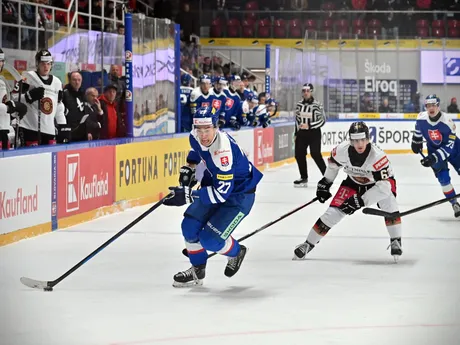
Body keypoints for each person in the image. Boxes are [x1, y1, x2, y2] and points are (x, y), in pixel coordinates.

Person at [163, 106, 263, 287]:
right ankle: (197, 271)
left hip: (239, 195)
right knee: (189, 226)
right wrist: (191, 167)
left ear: (216, 127)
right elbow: (197, 150)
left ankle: (237, 251)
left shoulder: (222, 153)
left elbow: (220, 194)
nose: (203, 135)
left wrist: (187, 195)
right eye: (199, 130)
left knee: (211, 240)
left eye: (207, 130)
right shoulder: (195, 136)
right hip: (216, 185)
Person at [293, 121, 404, 261]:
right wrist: (325, 183)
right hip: (353, 182)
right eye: (356, 140)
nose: (360, 144)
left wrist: (361, 201)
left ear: (368, 139)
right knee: (332, 214)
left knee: (389, 205)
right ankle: (308, 244)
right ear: (350, 140)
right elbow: (333, 166)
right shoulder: (341, 150)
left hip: (378, 184)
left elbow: (384, 187)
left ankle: (396, 240)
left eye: (363, 139)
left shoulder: (378, 157)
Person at [411, 94, 460, 217]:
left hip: (455, 150)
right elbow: (418, 130)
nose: (431, 108)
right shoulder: (421, 118)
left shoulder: (448, 123)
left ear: (438, 106)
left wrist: (433, 158)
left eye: (433, 105)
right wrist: (416, 141)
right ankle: (454, 203)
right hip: (434, 150)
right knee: (444, 180)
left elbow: (449, 147)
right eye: (428, 106)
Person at [13, 49, 69, 146]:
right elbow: (13, 99)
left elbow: (59, 107)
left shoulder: (57, 82)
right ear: (37, 64)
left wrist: (63, 126)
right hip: (30, 128)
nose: (46, 66)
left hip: (49, 130)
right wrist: (28, 96)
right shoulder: (27, 78)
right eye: (43, 63)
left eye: (48, 63)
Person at [293, 83, 326, 187]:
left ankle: (327, 177)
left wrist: (310, 125)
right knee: (299, 154)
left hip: (314, 133)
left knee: (315, 154)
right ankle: (304, 177)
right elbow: (297, 120)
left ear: (311, 91)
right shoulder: (299, 105)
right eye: (304, 91)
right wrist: (296, 133)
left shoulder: (317, 105)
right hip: (302, 133)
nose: (306, 93)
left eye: (308, 91)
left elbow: (322, 120)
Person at [0, 49, 26, 149]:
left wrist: (14, 115)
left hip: (4, 130)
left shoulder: (2, 81)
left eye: (1, 60)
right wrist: (10, 107)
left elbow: (6, 101)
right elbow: (6, 106)